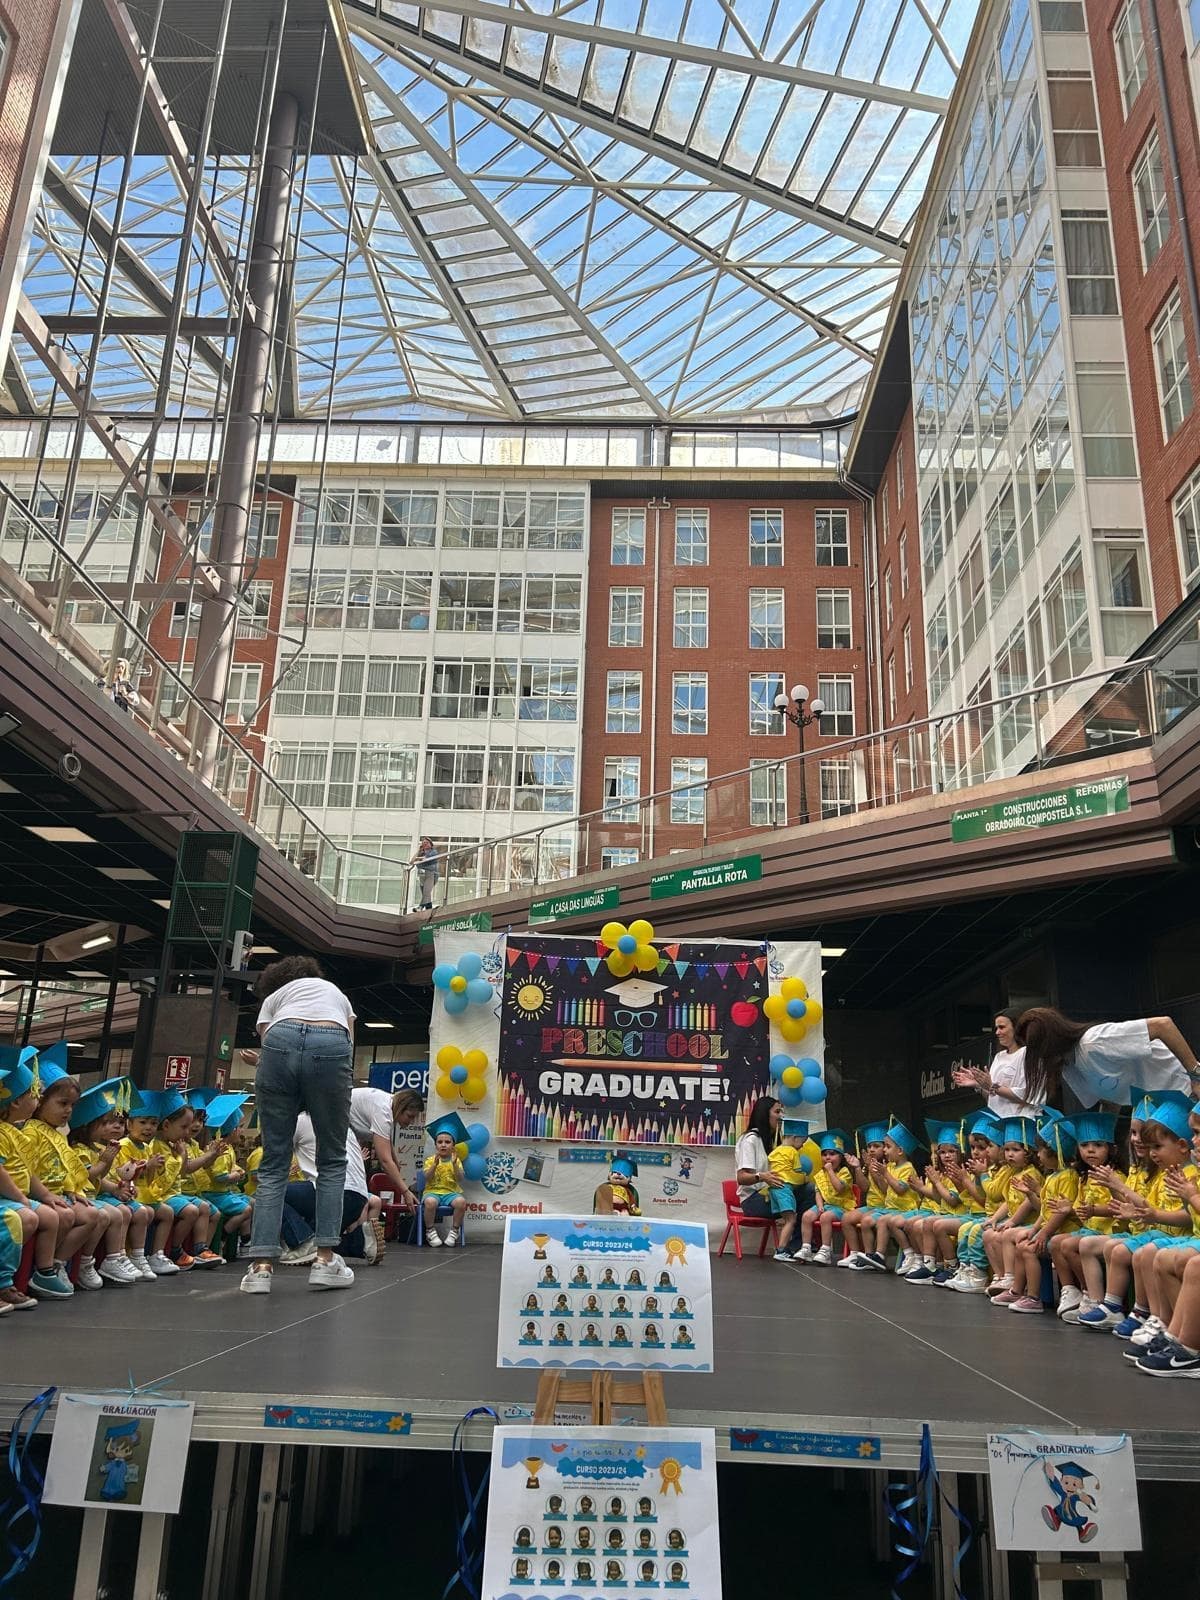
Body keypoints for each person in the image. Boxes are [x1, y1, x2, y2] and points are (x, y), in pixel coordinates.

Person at [239, 956, 356, 1295]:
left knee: (274, 1162)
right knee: (332, 1160)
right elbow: (348, 1042)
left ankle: (260, 1266)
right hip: (332, 1042)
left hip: (279, 1039)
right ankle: (325, 1259)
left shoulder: (276, 999)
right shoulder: (335, 992)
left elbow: (269, 1045)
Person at [1015, 1006, 1198, 1108]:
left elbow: (1162, 1025)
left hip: (1184, 1091)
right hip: (1155, 1107)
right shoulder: (1069, 1067)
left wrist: (1196, 1076)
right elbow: (1110, 1099)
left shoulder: (1094, 1041)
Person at [1004, 1114, 1081, 1314]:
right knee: (1023, 1243)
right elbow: (1045, 1209)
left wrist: (1044, 1233)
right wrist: (1035, 1228)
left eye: (1040, 1150)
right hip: (1051, 1230)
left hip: (1064, 1231)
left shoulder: (1069, 1176)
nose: (1037, 1155)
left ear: (1055, 1152)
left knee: (1029, 1249)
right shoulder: (1052, 1176)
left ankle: (1034, 1298)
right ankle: (1017, 1290)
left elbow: (1060, 1213)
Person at [278, 1113, 374, 1263]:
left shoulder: (301, 1119)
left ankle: (302, 1243)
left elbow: (277, 1153)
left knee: (271, 1195)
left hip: (330, 1192)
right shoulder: (342, 1122)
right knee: (322, 1242)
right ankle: (362, 1241)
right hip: (359, 1198)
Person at [951, 1009, 1042, 1115]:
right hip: (998, 1122)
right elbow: (993, 1098)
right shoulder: (999, 1056)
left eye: (1002, 1027)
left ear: (1017, 1028)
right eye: (996, 1028)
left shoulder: (1029, 1054)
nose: (997, 1032)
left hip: (1021, 1123)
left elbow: (1028, 1095)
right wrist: (979, 1084)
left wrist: (992, 1086)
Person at [349, 1086, 423, 1210]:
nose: (411, 1122)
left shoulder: (387, 1103)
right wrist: (405, 1191)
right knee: (354, 1189)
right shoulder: (383, 1112)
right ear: (401, 1107)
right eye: (410, 1116)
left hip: (338, 1123)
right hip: (331, 1123)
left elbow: (387, 1144)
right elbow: (385, 1161)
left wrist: (396, 1165)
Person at [764, 1116, 808, 1260]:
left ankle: (782, 1249)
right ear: (795, 1137)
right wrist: (804, 1178)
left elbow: (770, 1169)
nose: (802, 1146)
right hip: (784, 1188)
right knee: (791, 1220)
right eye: (802, 1142)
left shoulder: (774, 1151)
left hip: (773, 1190)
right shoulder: (793, 1152)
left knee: (785, 1219)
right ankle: (781, 1250)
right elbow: (795, 1173)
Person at [422, 1127, 466, 1245]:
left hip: (451, 1193)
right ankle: (430, 1231)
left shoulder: (456, 1160)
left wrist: (455, 1165)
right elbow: (427, 1177)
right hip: (432, 1192)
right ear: (436, 1145)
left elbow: (460, 1179)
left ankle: (454, 1231)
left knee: (461, 1202)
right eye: (440, 1142)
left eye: (447, 1142)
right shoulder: (430, 1160)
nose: (443, 1145)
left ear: (453, 1146)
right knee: (430, 1202)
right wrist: (434, 1165)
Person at [411, 836, 438, 911]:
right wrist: (418, 851)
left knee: (426, 892)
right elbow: (411, 861)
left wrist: (418, 859)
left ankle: (420, 907)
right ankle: (429, 909)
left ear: (430, 844)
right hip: (422, 875)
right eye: (423, 843)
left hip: (431, 874)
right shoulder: (421, 853)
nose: (425, 844)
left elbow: (425, 859)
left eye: (426, 843)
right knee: (426, 894)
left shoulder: (433, 852)